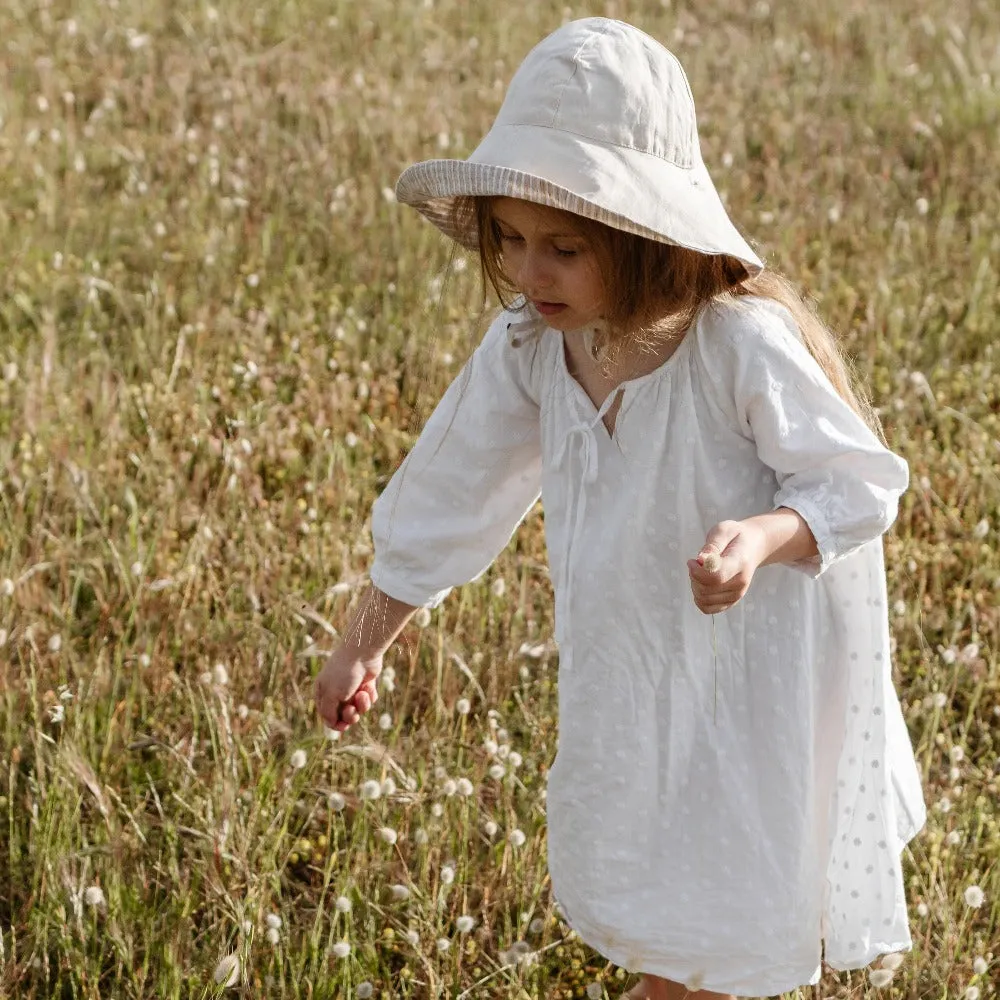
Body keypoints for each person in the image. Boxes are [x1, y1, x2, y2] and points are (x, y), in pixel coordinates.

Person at [315, 17, 926, 1000]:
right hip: (632, 672)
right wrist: (366, 635)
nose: (527, 272)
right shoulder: (531, 346)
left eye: (563, 246)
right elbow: (449, 492)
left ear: (644, 238)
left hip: (753, 675)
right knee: (665, 897)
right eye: (510, 239)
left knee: (712, 929)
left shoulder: (739, 344)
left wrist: (761, 538)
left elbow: (856, 484)